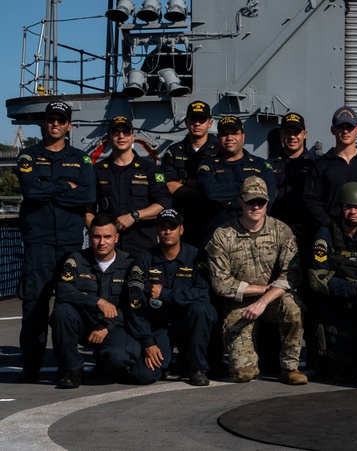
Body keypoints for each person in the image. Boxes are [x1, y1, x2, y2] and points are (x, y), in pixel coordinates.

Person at [16, 100, 97, 383]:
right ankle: (31, 365)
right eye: (51, 119)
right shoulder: (27, 156)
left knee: (69, 306)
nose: (55, 124)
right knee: (34, 307)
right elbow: (31, 192)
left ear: (68, 126)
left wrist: (47, 189)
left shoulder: (82, 159)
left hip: (69, 244)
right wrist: (66, 186)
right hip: (38, 243)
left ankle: (68, 365)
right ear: (44, 123)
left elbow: (87, 196)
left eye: (61, 120)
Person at [207, 176, 307, 385]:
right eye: (250, 201)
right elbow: (221, 284)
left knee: (293, 308)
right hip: (240, 302)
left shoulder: (282, 231)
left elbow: (292, 274)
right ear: (240, 201)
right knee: (243, 375)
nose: (255, 206)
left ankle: (290, 368)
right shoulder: (223, 235)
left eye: (260, 202)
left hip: (273, 299)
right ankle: (249, 361)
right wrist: (262, 290)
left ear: (267, 203)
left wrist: (264, 301)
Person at [117, 209, 217, 386]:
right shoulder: (144, 259)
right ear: (157, 230)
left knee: (201, 309)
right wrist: (148, 343)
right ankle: (168, 362)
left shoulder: (197, 257)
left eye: (172, 227)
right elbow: (135, 304)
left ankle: (197, 368)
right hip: (160, 325)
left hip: (189, 324)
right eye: (163, 227)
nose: (167, 231)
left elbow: (203, 293)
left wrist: (166, 294)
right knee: (144, 376)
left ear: (181, 230)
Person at [49, 215, 130, 389]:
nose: (102, 242)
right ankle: (73, 370)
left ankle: (104, 362)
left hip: (114, 326)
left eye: (107, 237)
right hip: (84, 323)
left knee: (119, 359)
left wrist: (107, 326)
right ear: (89, 236)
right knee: (62, 312)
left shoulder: (130, 264)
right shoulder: (76, 260)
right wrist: (97, 301)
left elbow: (134, 306)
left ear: (116, 238)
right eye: (96, 236)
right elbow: (63, 290)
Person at [308, 182, 357, 382]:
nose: (353, 212)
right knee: (335, 367)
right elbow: (318, 279)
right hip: (335, 307)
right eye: (348, 207)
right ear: (340, 208)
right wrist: (356, 289)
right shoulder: (326, 234)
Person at [89, 115, 171, 255]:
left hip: (143, 247)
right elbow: (87, 208)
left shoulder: (150, 170)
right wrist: (101, 233)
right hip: (108, 249)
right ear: (109, 138)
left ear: (133, 137)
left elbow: (164, 203)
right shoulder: (97, 171)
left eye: (126, 132)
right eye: (116, 132)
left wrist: (135, 216)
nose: (121, 136)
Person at [195, 115, 276, 241]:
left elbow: (268, 196)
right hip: (217, 237)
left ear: (243, 137)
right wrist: (249, 191)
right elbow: (210, 193)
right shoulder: (207, 166)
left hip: (254, 238)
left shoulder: (261, 166)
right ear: (218, 137)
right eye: (224, 134)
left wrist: (230, 202)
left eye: (235, 133)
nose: (230, 138)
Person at [303, 106, 357, 229]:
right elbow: (311, 200)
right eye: (341, 127)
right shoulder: (320, 165)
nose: (345, 131)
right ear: (332, 130)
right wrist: (329, 226)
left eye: (350, 127)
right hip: (330, 232)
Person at [159, 100, 220, 245]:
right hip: (183, 219)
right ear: (186, 121)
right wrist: (205, 191)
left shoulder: (219, 151)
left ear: (210, 123)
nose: (197, 123)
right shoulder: (174, 151)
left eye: (202, 119)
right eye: (193, 119)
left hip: (212, 219)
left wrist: (184, 182)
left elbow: (222, 185)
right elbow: (169, 186)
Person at [269, 112, 317, 244]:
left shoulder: (316, 165)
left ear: (304, 134)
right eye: (287, 132)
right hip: (276, 230)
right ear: (281, 134)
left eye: (296, 132)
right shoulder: (268, 165)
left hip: (307, 230)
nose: (292, 137)